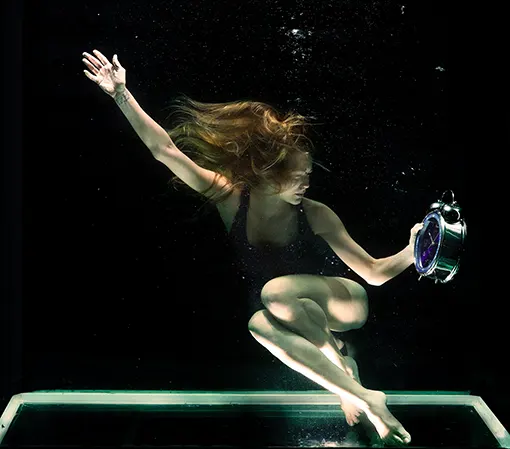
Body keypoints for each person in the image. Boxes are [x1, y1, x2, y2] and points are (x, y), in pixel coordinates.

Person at [82, 49, 422, 445]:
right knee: (258, 323)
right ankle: (359, 392)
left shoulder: (315, 213)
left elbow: (374, 274)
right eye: (298, 177)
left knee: (274, 293)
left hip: (343, 303)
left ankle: (343, 368)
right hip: (295, 312)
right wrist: (121, 94)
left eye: (309, 174)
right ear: (268, 175)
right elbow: (166, 151)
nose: (307, 183)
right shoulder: (231, 199)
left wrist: (414, 250)